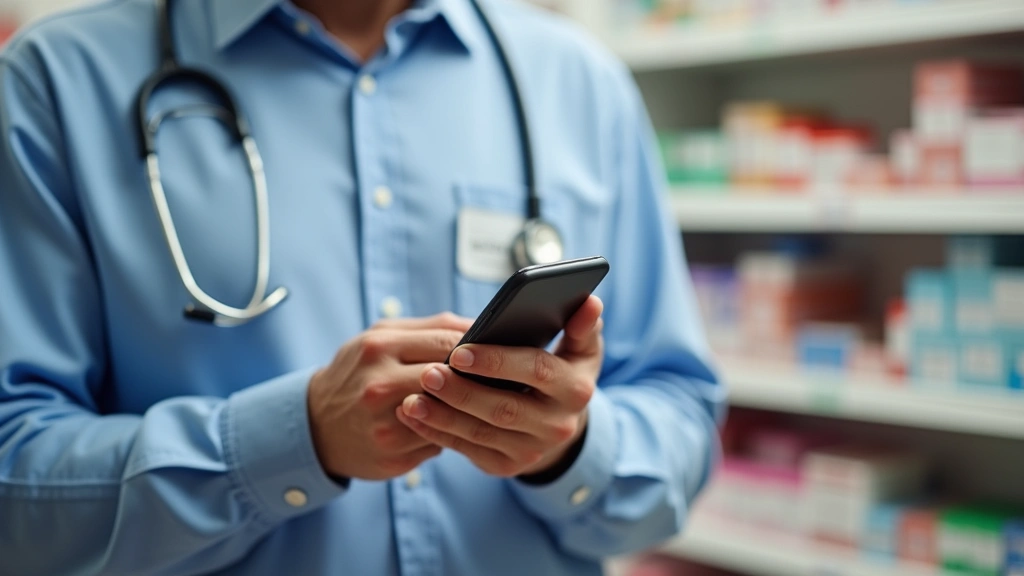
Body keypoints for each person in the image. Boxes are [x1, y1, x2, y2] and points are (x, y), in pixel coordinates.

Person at [0, 0, 725, 574]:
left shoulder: (578, 83)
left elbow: (683, 427)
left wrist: (569, 448)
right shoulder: (57, 82)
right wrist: (290, 443)